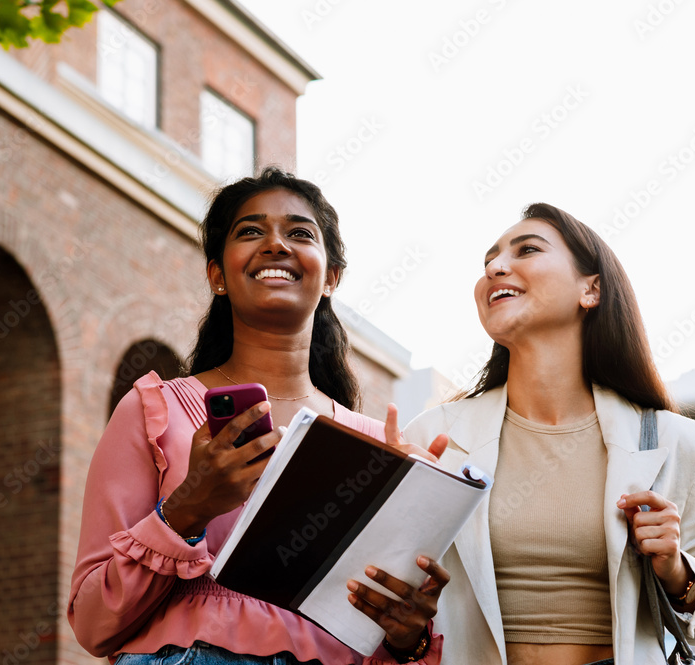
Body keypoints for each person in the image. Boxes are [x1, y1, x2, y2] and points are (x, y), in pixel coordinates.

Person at [68, 167, 448, 665]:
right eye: (250, 231)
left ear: (331, 276)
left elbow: (382, 636)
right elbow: (94, 623)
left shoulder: (379, 447)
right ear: (217, 275)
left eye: (299, 233)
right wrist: (187, 508)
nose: (275, 244)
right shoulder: (155, 411)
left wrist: (409, 637)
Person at [399, 203, 695, 665]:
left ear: (591, 289)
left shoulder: (673, 439)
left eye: (527, 250)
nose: (496, 268)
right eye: (488, 262)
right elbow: (396, 607)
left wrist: (676, 568)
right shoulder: (433, 435)